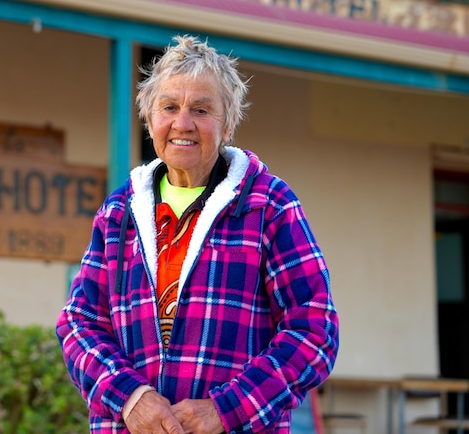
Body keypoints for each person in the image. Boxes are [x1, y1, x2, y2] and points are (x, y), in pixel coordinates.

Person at [57, 35, 339, 434]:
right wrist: (129, 397)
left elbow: (314, 329)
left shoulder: (268, 204)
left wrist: (227, 409)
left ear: (228, 123)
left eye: (201, 109)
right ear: (149, 118)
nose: (182, 123)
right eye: (169, 107)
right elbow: (78, 323)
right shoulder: (118, 213)